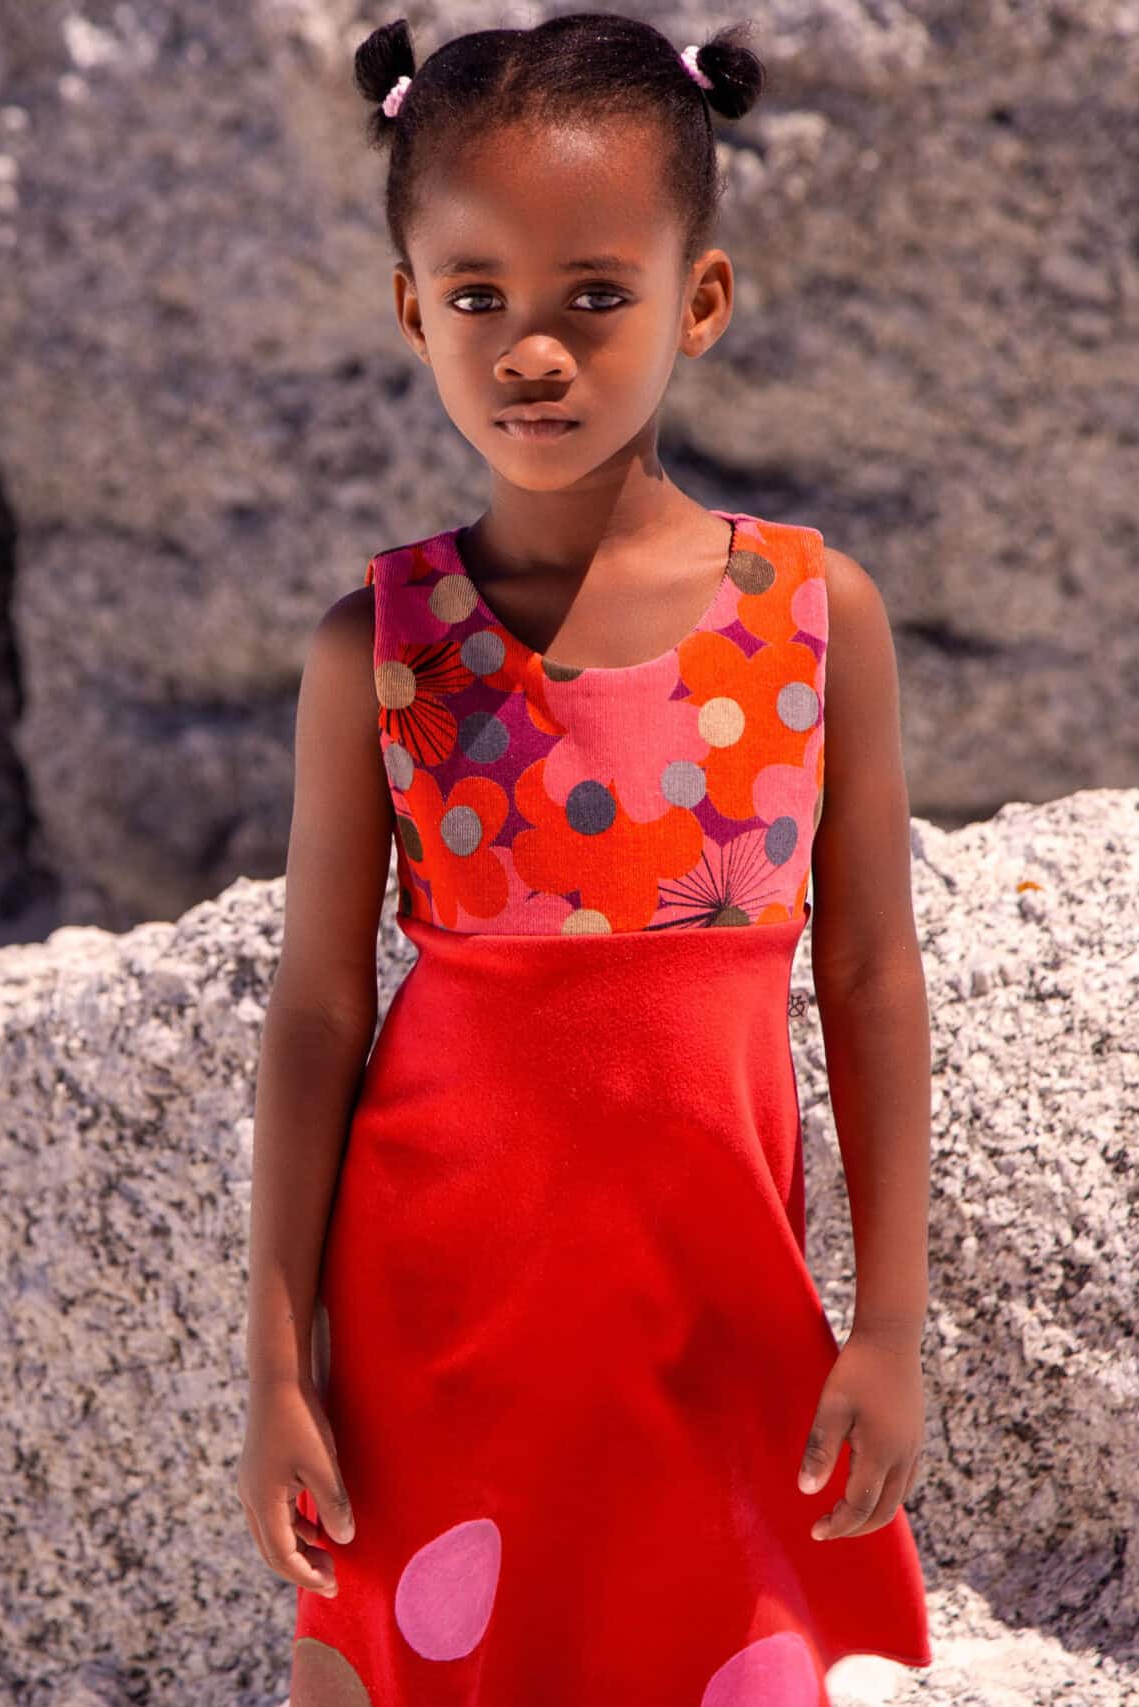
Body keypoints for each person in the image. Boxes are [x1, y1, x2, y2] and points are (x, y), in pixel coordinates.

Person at [235, 11, 938, 1701]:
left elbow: (865, 969)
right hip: (438, 1333)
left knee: (733, 1657)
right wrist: (278, 1361)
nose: (528, 351)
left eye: (593, 296)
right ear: (412, 308)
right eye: (475, 297)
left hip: (712, 1318)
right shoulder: (382, 648)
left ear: (699, 299)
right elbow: (322, 1013)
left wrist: (893, 1328)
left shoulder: (810, 618)